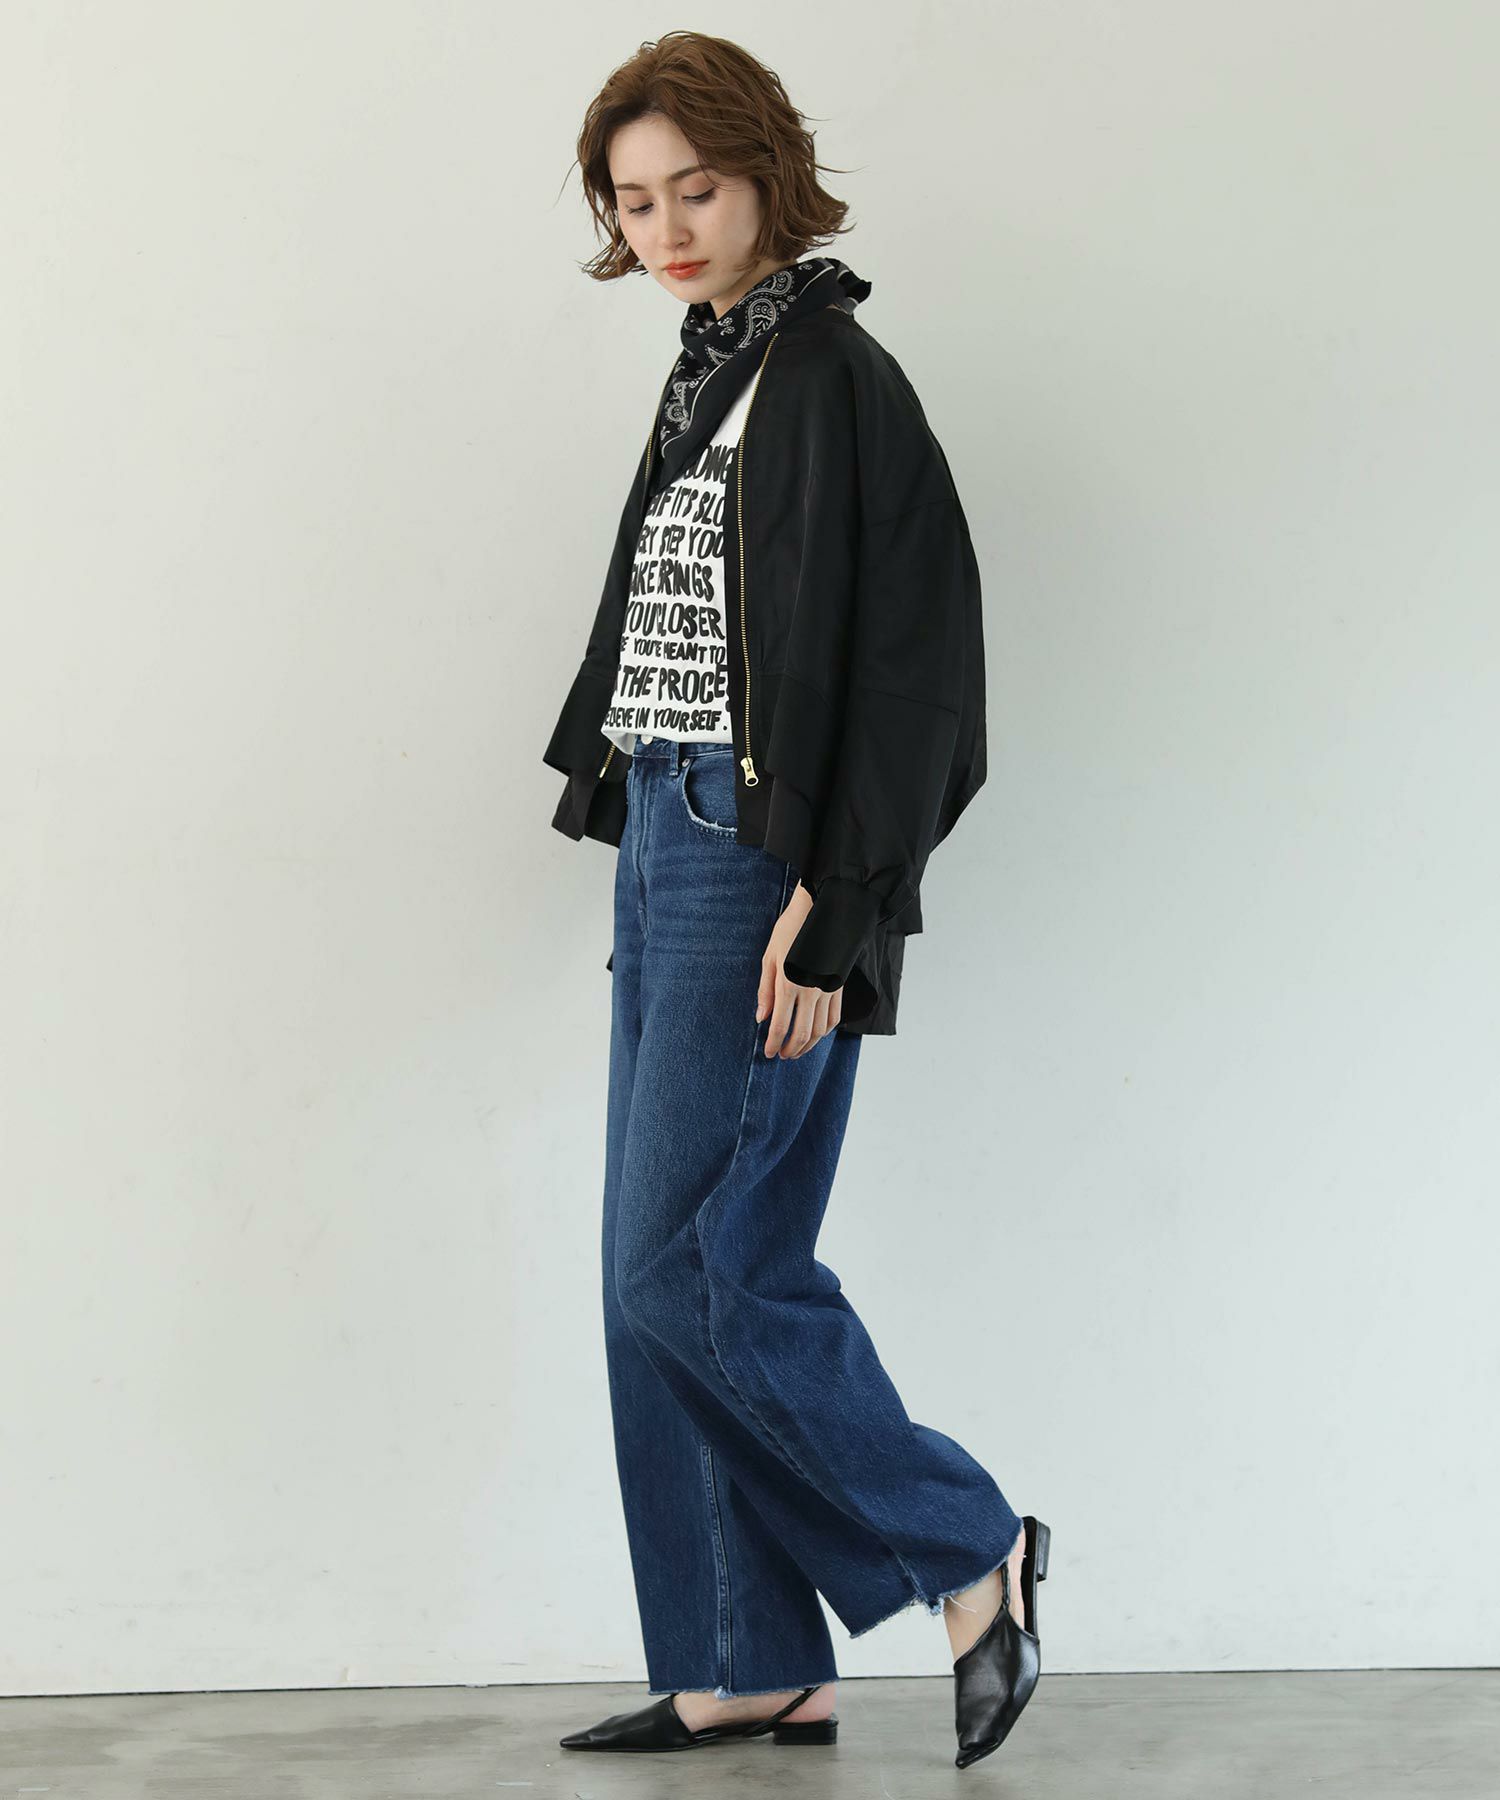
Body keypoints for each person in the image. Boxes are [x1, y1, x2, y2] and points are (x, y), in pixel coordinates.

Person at [542, 31, 1050, 1769]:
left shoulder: (832, 374)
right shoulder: (712, 368)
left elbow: (920, 673)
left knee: (694, 1267)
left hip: (759, 863)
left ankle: (967, 1548)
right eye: (635, 202)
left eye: (696, 188)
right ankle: (743, 1658)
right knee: (654, 1274)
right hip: (669, 834)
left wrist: (841, 905)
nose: (668, 228)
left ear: (765, 174)